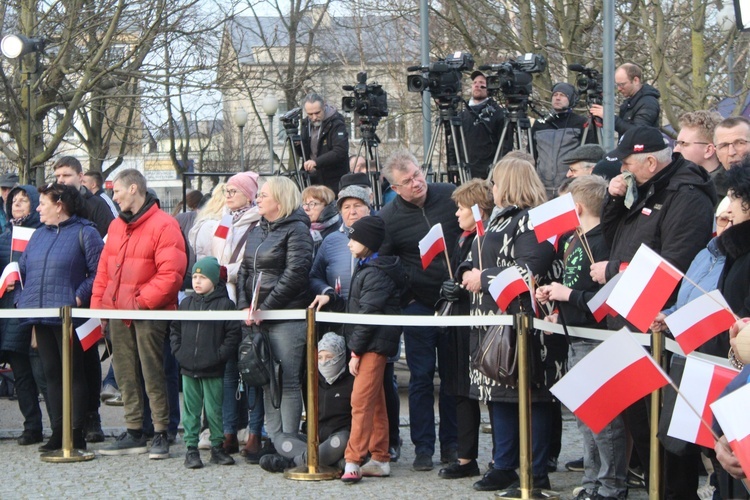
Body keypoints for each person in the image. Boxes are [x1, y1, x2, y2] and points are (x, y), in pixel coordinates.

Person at [590, 126, 716, 488]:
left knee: (664, 428)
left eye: (627, 164)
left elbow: (676, 260)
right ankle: (654, 488)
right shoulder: (646, 188)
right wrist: (614, 199)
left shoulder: (686, 193)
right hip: (629, 322)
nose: (623, 171)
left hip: (658, 325)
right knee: (640, 424)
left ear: (649, 161)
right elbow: (615, 240)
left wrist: (614, 270)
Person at [458, 157, 558, 491]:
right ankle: (504, 464)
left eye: (496, 182)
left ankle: (535, 470)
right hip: (489, 321)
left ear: (510, 184)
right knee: (498, 394)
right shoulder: (498, 220)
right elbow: (476, 257)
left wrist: (482, 277)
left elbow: (530, 268)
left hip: (522, 325)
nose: (493, 189)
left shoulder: (533, 221)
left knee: (532, 398)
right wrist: (466, 272)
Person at [535, 175, 627, 500]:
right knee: (585, 420)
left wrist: (567, 294)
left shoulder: (602, 241)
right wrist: (556, 301)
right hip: (574, 336)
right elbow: (573, 290)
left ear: (576, 206)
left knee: (604, 421)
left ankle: (612, 486)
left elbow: (602, 301)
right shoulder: (573, 238)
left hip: (596, 339)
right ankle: (592, 483)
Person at [94, 169, 187, 459]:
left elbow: (171, 274)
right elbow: (104, 270)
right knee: (125, 374)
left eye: (117, 191)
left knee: (153, 373)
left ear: (133, 188)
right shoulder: (118, 226)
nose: (114, 196)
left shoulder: (164, 224)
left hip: (148, 313)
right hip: (120, 311)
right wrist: (100, 307)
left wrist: (139, 301)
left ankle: (161, 431)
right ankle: (134, 430)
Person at [378, 150, 461, 471]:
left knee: (453, 377)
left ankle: (452, 444)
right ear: (395, 188)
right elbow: (385, 265)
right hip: (419, 305)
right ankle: (423, 446)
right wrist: (408, 293)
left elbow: (471, 238)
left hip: (456, 303)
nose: (417, 183)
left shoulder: (447, 195)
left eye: (418, 174)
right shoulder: (389, 218)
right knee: (421, 377)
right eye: (407, 181)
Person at [649, 197, 731, 499]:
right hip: (686, 355)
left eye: (733, 220)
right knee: (676, 443)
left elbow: (721, 308)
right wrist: (669, 316)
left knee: (719, 446)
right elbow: (688, 300)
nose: (726, 227)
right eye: (722, 220)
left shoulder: (740, 259)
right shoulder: (703, 254)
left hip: (719, 359)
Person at [16, 183, 103, 452]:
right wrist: (23, 299)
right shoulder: (38, 235)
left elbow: (97, 271)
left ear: (60, 204)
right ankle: (58, 431)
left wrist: (77, 296)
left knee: (73, 374)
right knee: (52, 374)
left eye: (43, 203)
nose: (38, 208)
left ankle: (76, 432)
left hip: (69, 316)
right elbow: (23, 269)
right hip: (41, 314)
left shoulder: (85, 233)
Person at [236, 176, 313, 453]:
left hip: (286, 317)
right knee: (268, 380)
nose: (258, 199)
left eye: (264, 195)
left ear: (279, 200)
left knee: (287, 380)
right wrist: (245, 305)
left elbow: (296, 274)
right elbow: (245, 269)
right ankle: (275, 439)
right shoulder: (257, 229)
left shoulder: (297, 230)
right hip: (258, 317)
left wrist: (265, 308)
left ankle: (289, 443)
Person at [53, 157, 115, 443]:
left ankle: (92, 417)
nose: (61, 179)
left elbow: (109, 247)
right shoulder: (54, 204)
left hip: (88, 295)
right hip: (61, 295)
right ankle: (66, 421)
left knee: (88, 358)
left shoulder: (97, 207)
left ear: (80, 176)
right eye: (57, 174)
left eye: (66, 174)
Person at [436, 179, 494, 480]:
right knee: (460, 391)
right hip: (459, 326)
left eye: (461, 208)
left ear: (477, 208)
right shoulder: (462, 238)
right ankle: (465, 456)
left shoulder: (487, 238)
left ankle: (501, 460)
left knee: (493, 396)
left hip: (482, 326)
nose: (457, 214)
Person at [339, 216, 403, 483]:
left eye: (354, 239)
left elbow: (367, 313)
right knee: (375, 402)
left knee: (361, 402)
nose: (350, 244)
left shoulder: (374, 272)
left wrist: (355, 350)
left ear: (368, 242)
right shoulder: (371, 267)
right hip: (372, 343)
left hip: (372, 345)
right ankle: (379, 457)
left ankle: (353, 460)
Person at [170, 256, 241, 469]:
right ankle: (191, 449)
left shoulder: (225, 305)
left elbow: (232, 334)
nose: (197, 281)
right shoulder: (186, 303)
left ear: (213, 279)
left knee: (214, 411)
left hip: (213, 368)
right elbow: (175, 329)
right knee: (191, 410)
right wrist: (179, 352)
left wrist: (219, 356)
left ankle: (217, 447)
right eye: (194, 277)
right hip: (188, 367)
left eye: (202, 277)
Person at [210, 172, 261, 455]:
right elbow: (216, 255)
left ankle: (254, 432)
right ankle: (229, 430)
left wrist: (220, 273)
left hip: (243, 300)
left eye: (234, 191)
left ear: (249, 194)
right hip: (223, 300)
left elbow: (248, 264)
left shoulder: (257, 222)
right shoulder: (225, 221)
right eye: (226, 190)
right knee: (228, 370)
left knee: (252, 369)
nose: (228, 195)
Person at [259, 332, 353, 473]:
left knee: (341, 440)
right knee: (280, 439)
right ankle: (330, 462)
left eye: (329, 357)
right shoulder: (312, 380)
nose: (324, 362)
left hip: (339, 438)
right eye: (320, 358)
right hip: (315, 440)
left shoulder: (352, 382)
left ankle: (293, 463)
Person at [0, 185, 47, 446]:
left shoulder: (42, 234)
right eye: (14, 200)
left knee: (40, 375)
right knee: (21, 376)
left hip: (30, 312)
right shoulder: (4, 236)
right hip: (5, 313)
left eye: (23, 200)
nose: (17, 204)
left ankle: (61, 429)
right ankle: (32, 426)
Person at [532, 82, 596, 196]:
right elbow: (532, 154)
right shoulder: (539, 124)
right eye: (555, 94)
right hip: (541, 188)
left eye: (562, 95)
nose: (557, 98)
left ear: (571, 99)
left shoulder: (581, 123)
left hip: (569, 187)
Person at [459, 71, 509, 179]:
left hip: (489, 174)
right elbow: (453, 145)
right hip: (465, 174)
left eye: (482, 82)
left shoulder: (498, 113)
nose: (477, 85)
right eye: (475, 82)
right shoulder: (463, 114)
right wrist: (454, 167)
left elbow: (505, 146)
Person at [297, 93, 350, 193]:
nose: (314, 117)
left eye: (317, 113)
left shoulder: (336, 123)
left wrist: (316, 162)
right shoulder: (305, 123)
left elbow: (340, 151)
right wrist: (297, 145)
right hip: (312, 179)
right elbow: (303, 153)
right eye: (310, 114)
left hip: (333, 180)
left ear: (324, 107)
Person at [589, 63, 660, 134]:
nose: (619, 89)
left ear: (636, 80)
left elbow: (639, 133)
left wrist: (609, 118)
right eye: (617, 85)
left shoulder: (648, 103)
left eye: (622, 84)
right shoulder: (629, 103)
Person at [674, 111, 724, 197]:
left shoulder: (730, 194)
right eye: (677, 143)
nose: (675, 150)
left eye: (683, 143)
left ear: (708, 150)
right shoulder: (676, 184)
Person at [301, 185, 340, 256]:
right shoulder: (301, 229)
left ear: (327, 206)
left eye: (312, 204)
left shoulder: (339, 229)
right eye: (304, 204)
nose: (306, 208)